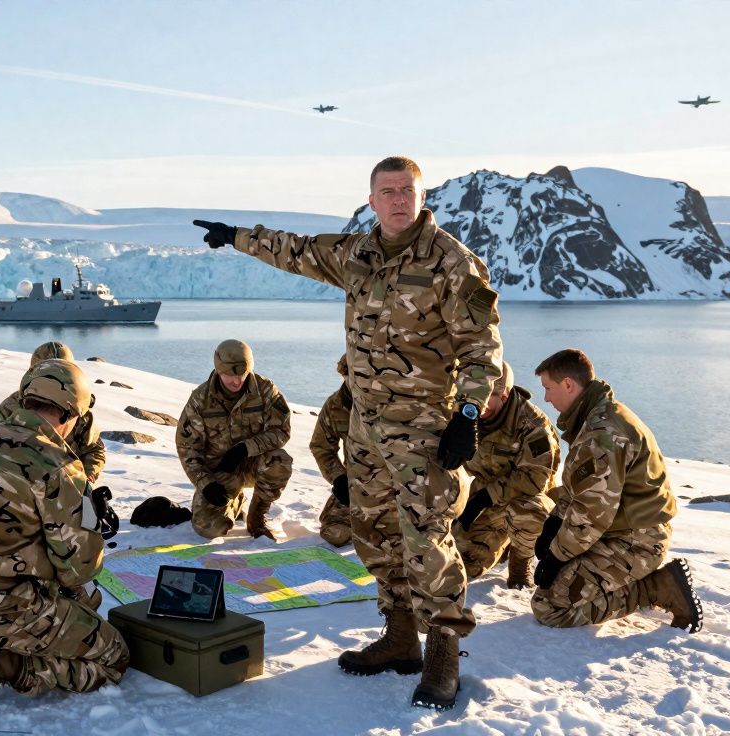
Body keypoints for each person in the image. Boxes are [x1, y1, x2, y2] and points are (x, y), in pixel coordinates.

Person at [194, 155, 503, 710]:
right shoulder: (356, 254)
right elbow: (296, 250)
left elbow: (483, 350)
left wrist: (469, 414)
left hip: (424, 430)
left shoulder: (453, 263)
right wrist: (236, 235)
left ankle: (443, 656)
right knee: (374, 529)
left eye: (407, 190)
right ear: (372, 199)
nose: (398, 200)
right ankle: (401, 635)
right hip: (364, 427)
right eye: (387, 191)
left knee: (427, 535)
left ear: (421, 195)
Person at [0, 359, 127, 725]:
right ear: (69, 411)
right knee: (112, 657)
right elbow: (78, 569)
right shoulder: (57, 463)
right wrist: (91, 528)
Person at [530, 349, 703, 632]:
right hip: (621, 531)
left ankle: (657, 587)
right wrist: (555, 524)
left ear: (568, 385)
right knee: (556, 584)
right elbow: (581, 492)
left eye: (548, 389)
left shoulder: (601, 434)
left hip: (637, 541)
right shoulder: (598, 417)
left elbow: (591, 516)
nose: (546, 398)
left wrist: (557, 556)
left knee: (550, 606)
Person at [452, 361, 560, 588]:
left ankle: (521, 564)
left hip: (521, 500)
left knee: (532, 510)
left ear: (504, 396)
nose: (478, 405)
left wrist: (483, 499)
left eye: (486, 398)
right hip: (484, 499)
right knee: (460, 565)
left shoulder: (532, 426)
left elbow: (534, 480)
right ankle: (501, 545)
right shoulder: (467, 412)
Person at [176, 339, 292, 541]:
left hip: (253, 465)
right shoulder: (200, 400)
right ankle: (234, 501)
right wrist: (206, 484)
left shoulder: (265, 391)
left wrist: (245, 449)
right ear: (218, 370)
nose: (237, 381)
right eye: (230, 375)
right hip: (219, 471)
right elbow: (187, 449)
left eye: (242, 374)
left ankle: (257, 516)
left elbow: (281, 430)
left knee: (279, 461)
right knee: (208, 529)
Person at [0, 341, 107, 483]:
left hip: (67, 487)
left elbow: (95, 450)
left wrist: (83, 483)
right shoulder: (9, 408)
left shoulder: (79, 410)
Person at [311, 356, 355, 547]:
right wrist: (339, 478)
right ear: (344, 374)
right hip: (355, 485)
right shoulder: (335, 405)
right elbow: (321, 446)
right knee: (335, 533)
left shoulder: (394, 401)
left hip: (399, 487)